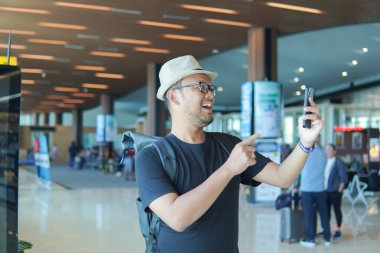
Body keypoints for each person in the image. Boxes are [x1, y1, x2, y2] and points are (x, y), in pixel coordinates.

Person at [135, 55, 324, 253]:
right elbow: (178, 218)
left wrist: (306, 142)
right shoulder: (152, 157)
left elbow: (282, 177)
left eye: (210, 88)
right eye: (201, 87)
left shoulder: (228, 145)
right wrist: (229, 169)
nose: (210, 95)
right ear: (174, 96)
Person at [299, 135, 331, 247]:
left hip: (307, 189)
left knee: (309, 215)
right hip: (320, 189)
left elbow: (297, 169)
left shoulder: (304, 153)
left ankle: (310, 239)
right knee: (324, 214)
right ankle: (327, 239)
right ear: (320, 140)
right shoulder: (323, 154)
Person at [324, 143, 347, 241]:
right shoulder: (324, 161)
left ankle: (338, 230)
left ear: (334, 151)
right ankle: (327, 230)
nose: (327, 151)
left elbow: (343, 178)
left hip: (335, 191)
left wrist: (339, 190)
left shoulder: (338, 161)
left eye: (329, 149)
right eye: (326, 149)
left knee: (337, 210)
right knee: (326, 211)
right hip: (324, 191)